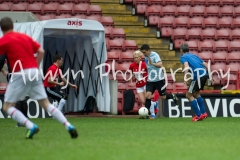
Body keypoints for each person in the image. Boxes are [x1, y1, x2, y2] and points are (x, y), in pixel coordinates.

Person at [0, 17, 78, 139]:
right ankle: (68, 126)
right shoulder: (24, 37)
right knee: (47, 104)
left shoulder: (4, 40)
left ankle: (30, 125)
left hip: (19, 73)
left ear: (2, 29)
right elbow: (41, 51)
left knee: (7, 106)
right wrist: (35, 67)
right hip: (34, 72)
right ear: (12, 27)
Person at [140, 44, 179, 119]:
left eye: (144, 52)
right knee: (147, 95)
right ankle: (145, 114)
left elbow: (161, 64)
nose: (143, 54)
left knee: (163, 97)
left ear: (148, 50)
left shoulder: (155, 55)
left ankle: (172, 96)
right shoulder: (145, 56)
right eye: (143, 53)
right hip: (150, 80)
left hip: (159, 79)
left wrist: (152, 63)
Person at [180, 43, 209, 122]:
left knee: (189, 95)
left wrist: (185, 77)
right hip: (204, 74)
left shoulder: (183, 57)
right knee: (196, 93)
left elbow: (186, 66)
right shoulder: (194, 55)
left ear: (181, 50)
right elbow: (206, 64)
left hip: (197, 76)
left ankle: (199, 115)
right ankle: (203, 113)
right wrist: (210, 76)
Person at [129, 50, 158, 119]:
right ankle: (154, 104)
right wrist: (131, 81)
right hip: (138, 85)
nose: (135, 59)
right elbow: (131, 73)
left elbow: (150, 71)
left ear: (140, 57)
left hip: (145, 84)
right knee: (144, 102)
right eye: (134, 58)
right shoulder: (132, 65)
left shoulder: (144, 64)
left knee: (147, 98)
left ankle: (152, 114)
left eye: (137, 57)